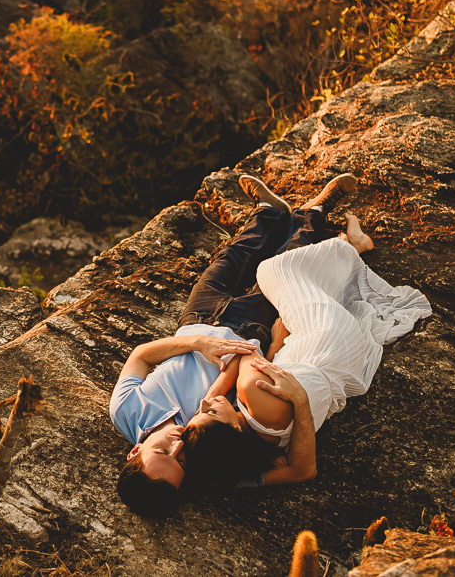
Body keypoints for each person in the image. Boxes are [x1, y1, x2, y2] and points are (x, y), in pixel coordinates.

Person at [109, 173, 357, 516]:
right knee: (285, 266)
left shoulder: (126, 412)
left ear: (135, 452)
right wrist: (293, 390)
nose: (179, 446)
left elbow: (140, 357)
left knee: (231, 258)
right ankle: (314, 212)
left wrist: (197, 342)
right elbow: (300, 471)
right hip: (250, 332)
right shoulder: (213, 466)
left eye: (164, 452)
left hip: (196, 323)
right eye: (181, 463)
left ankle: (269, 211)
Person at [181, 209, 432, 489]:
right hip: (328, 335)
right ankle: (350, 246)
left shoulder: (263, 445)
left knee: (298, 296)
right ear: (235, 429)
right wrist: (266, 351)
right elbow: (245, 351)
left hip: (343, 359)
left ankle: (347, 250)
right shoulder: (251, 392)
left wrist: (277, 348)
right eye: (210, 412)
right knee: (271, 270)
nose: (203, 404)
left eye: (199, 411)